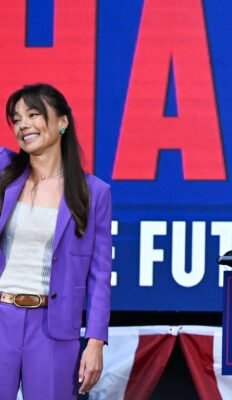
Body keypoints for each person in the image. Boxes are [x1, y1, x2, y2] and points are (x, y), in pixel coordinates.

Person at [0, 83, 112, 399]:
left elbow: (100, 276)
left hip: (54, 328)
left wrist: (95, 342)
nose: (23, 125)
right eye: (16, 119)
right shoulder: (4, 169)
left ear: (62, 122)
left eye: (33, 114)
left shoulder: (93, 193)